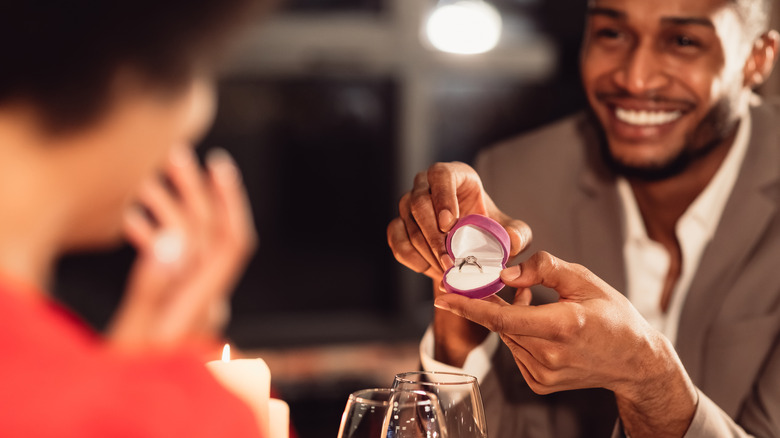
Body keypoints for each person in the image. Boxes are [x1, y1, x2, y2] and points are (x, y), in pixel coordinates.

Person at [388, 0, 780, 436]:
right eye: (612, 33)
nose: (635, 78)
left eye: (683, 41)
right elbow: (507, 428)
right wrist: (461, 305)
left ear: (756, 59)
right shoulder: (515, 175)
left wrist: (648, 381)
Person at [0, 0, 272, 436]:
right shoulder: (175, 417)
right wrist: (158, 390)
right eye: (194, 65)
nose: (196, 116)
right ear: (116, 69)